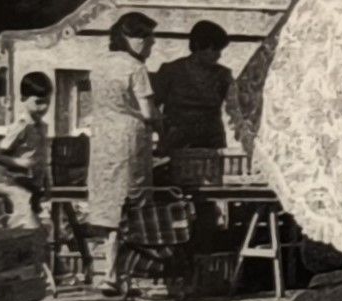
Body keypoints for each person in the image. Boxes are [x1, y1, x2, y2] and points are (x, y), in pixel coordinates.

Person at [85, 13, 160, 250]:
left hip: (102, 138)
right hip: (128, 141)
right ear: (134, 39)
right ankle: (123, 263)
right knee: (131, 204)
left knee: (108, 204)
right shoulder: (135, 68)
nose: (150, 45)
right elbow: (148, 112)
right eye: (147, 40)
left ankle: (110, 260)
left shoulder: (99, 65)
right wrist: (161, 122)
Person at [149, 21, 234, 161]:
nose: (218, 55)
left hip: (210, 145)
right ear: (198, 46)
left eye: (220, 50)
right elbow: (152, 106)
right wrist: (162, 132)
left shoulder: (223, 75)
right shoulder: (171, 70)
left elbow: (236, 108)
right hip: (175, 145)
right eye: (214, 49)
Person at [0, 72, 57, 228]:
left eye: (47, 102)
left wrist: (48, 184)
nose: (44, 107)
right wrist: (18, 162)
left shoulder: (41, 127)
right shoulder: (21, 126)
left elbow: (42, 160)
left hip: (33, 186)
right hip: (15, 185)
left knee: (37, 226)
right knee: (30, 227)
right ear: (23, 99)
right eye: (38, 102)